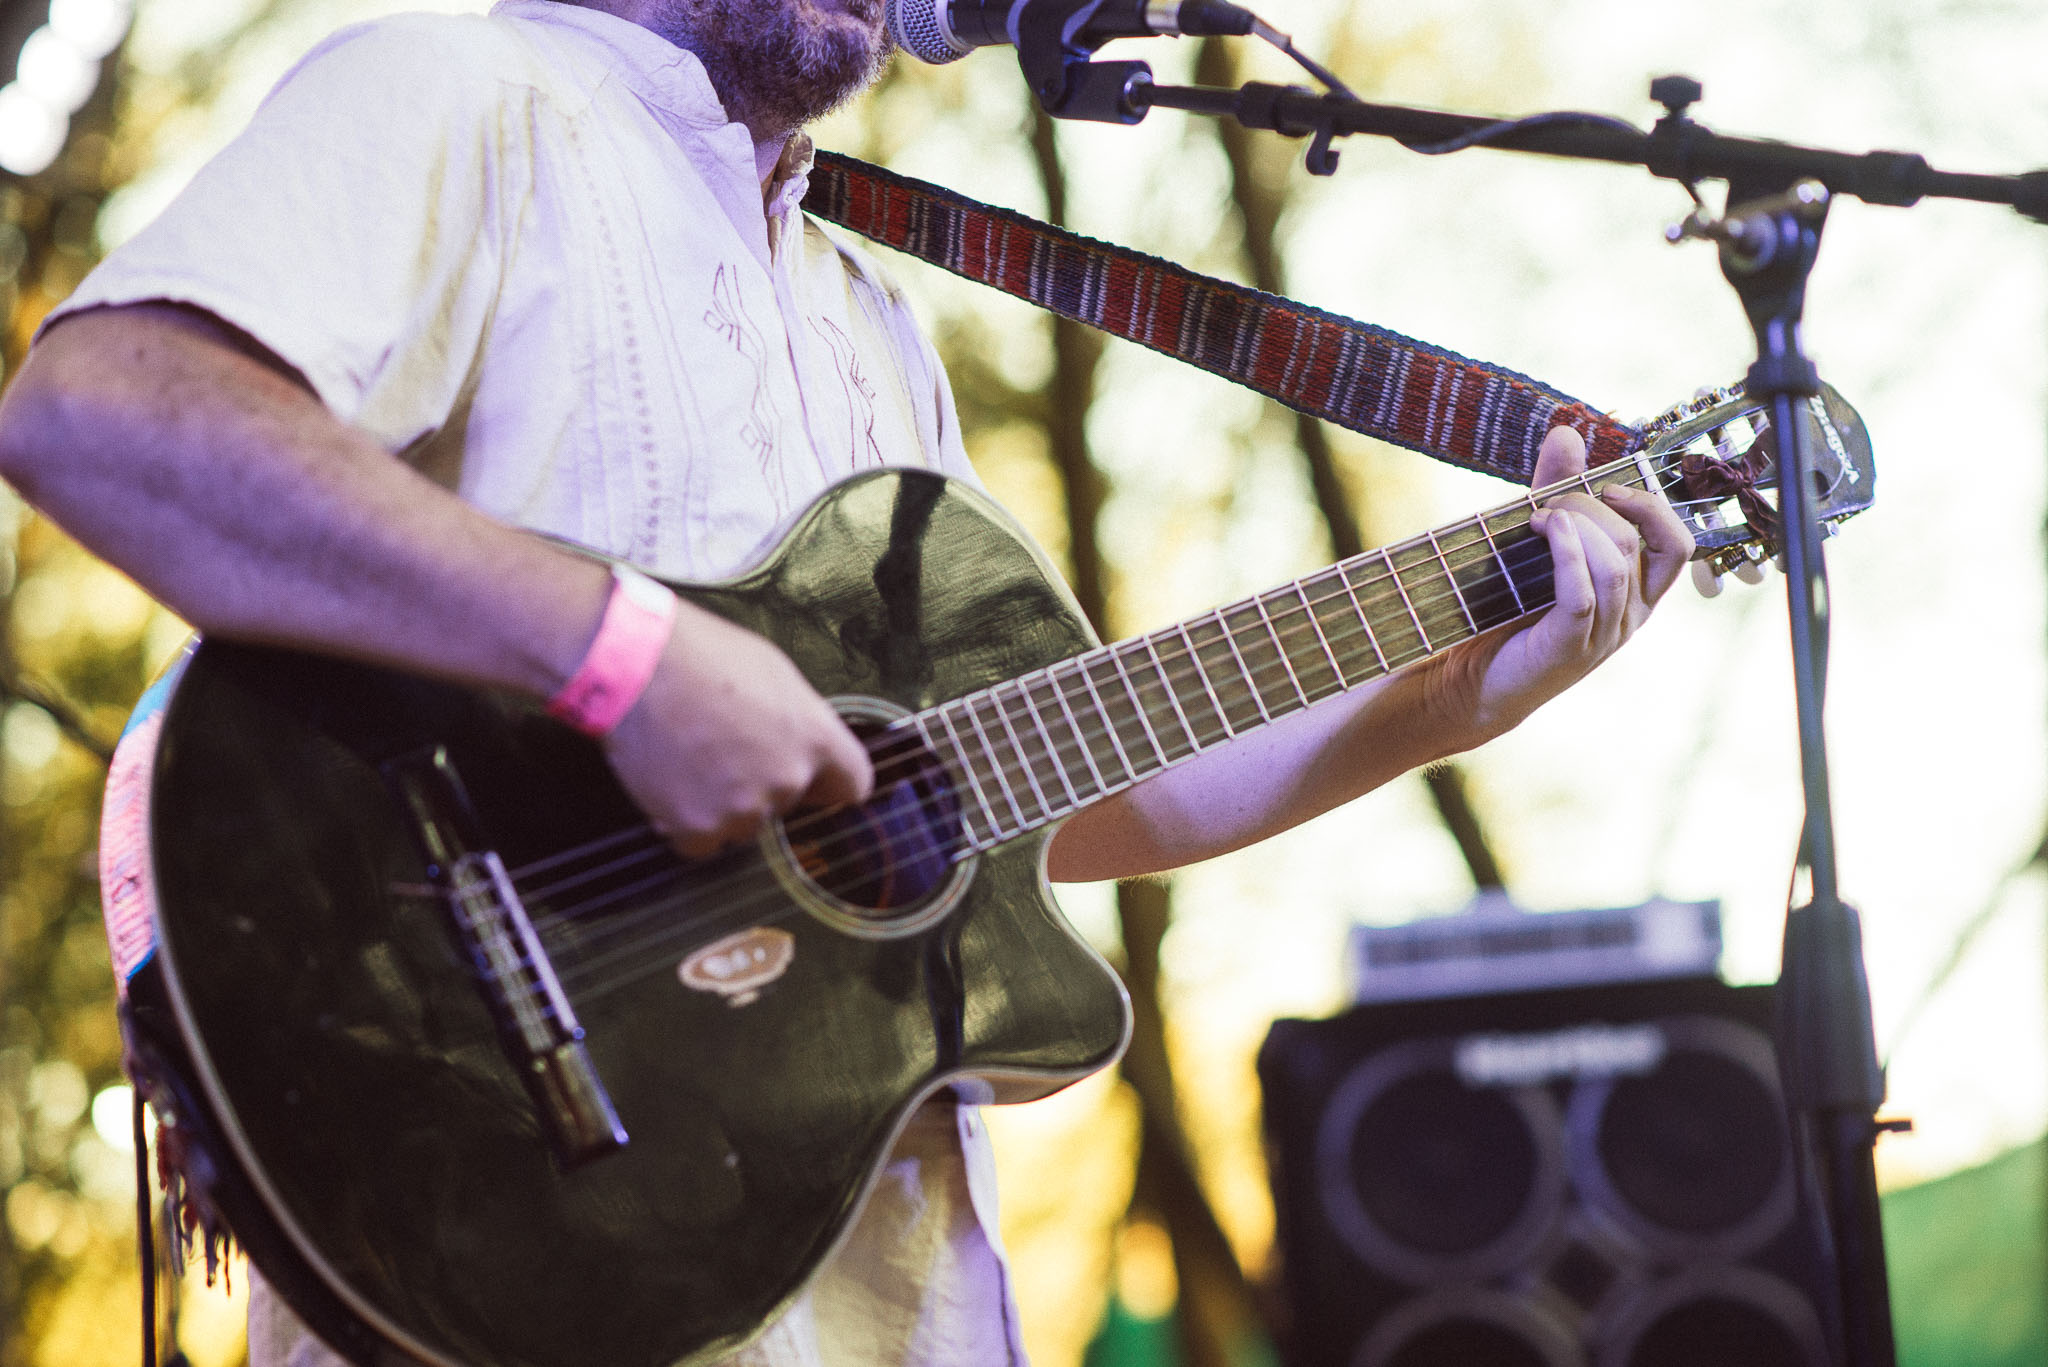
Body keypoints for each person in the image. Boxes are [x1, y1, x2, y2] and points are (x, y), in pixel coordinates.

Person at [0, 0, 1692, 1363]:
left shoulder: (866, 316)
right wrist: (622, 658)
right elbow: (108, 411)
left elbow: (1086, 790)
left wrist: (1477, 679)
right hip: (502, 1253)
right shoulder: (462, 87)